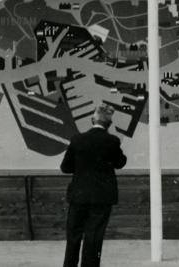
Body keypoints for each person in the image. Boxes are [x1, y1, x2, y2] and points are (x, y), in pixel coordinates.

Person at [60, 104, 128, 267]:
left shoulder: (77, 140)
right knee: (94, 236)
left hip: (79, 195)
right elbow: (120, 163)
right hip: (102, 196)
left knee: (74, 235)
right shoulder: (112, 141)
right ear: (109, 124)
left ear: (92, 120)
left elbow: (65, 167)